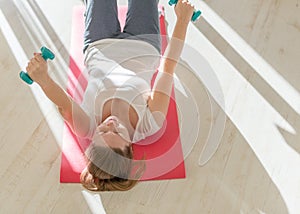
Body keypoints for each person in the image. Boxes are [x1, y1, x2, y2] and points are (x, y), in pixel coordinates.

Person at [26, 0, 195, 191]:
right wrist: (183, 20)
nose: (111, 124)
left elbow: (63, 103)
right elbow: (167, 68)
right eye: (117, 132)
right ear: (130, 146)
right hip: (144, 45)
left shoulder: (87, 126)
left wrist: (42, 78)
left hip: (100, 44)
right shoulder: (149, 123)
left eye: (103, 131)